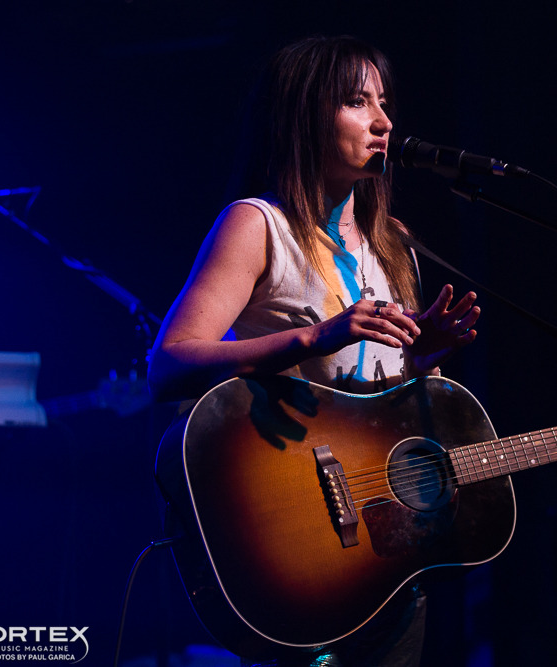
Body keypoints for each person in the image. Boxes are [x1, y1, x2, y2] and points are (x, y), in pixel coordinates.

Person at [147, 35, 480, 666]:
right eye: (358, 102)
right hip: (292, 537)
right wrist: (315, 334)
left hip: (381, 551)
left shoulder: (394, 243)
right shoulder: (256, 224)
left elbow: (374, 405)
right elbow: (169, 363)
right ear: (304, 116)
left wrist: (421, 356)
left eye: (383, 102)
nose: (384, 122)